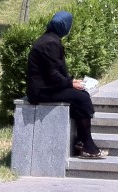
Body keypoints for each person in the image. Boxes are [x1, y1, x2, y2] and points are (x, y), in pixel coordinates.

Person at [26, 11, 106, 159]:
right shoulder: (51, 43)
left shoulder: (49, 38)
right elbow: (52, 74)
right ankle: (87, 146)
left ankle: (82, 142)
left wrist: (71, 82)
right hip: (41, 92)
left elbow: (53, 71)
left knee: (81, 95)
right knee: (82, 98)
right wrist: (70, 83)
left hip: (47, 87)